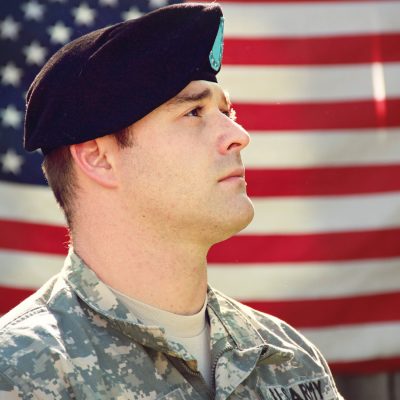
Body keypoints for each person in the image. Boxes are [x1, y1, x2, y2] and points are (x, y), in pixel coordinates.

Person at [0, 3, 343, 399]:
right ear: (98, 157)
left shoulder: (291, 361)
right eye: (194, 111)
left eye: (227, 111)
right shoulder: (22, 373)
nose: (238, 135)